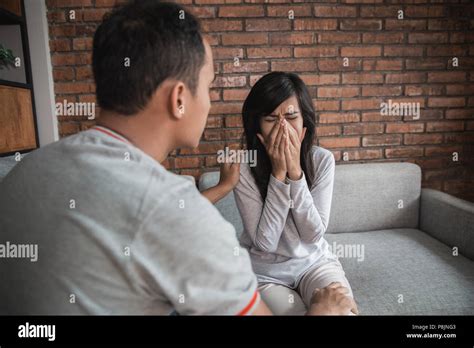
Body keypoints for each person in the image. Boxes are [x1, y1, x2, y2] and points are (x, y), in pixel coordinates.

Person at [0, 0, 356, 316]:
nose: (211, 102)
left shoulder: (24, 170)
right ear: (180, 99)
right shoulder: (181, 215)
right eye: (209, 85)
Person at [234, 72, 357, 315]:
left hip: (314, 263)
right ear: (257, 127)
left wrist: (295, 173)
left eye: (291, 117)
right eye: (271, 118)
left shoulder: (321, 161)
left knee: (343, 311)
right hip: (265, 272)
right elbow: (265, 243)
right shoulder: (242, 168)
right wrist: (278, 174)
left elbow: (313, 235)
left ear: (304, 124)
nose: (282, 126)